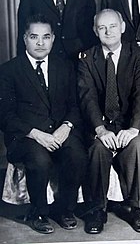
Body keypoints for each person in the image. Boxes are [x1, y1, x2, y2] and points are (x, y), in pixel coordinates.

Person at [0, 14, 87, 234]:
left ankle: (64, 210)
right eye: (34, 37)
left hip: (59, 131)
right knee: (39, 160)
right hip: (26, 136)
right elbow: (5, 115)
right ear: (24, 39)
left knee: (77, 154)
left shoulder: (65, 66)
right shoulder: (9, 70)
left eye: (46, 37)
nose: (40, 43)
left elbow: (75, 106)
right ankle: (38, 212)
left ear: (53, 38)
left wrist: (66, 126)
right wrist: (37, 135)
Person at [78, 8, 140, 234]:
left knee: (138, 147)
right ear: (94, 30)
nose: (108, 31)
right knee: (98, 150)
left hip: (129, 123)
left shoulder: (136, 53)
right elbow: (86, 98)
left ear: (123, 27)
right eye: (102, 27)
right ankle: (97, 210)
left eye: (112, 26)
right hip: (101, 125)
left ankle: (136, 208)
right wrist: (100, 130)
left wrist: (133, 128)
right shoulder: (87, 57)